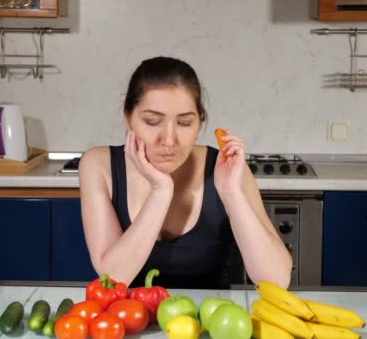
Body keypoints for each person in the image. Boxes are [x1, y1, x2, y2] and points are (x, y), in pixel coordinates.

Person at [78, 56, 292, 289]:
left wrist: (231, 192)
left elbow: (276, 280)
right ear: (128, 118)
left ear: (199, 123)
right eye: (152, 121)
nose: (169, 141)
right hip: (129, 323)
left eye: (184, 123)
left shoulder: (226, 168)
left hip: (211, 322)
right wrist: (160, 191)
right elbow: (114, 278)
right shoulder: (98, 165)